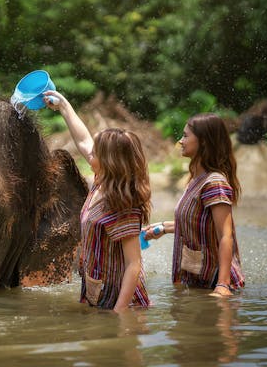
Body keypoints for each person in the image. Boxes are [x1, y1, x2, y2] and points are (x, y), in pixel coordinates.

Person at [43, 90, 152, 311]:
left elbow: (134, 264)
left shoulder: (122, 204)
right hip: (99, 292)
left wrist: (120, 313)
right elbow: (83, 139)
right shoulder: (102, 181)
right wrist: (64, 107)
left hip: (121, 303)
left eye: (95, 153)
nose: (88, 153)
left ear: (110, 162)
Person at [143, 113, 245, 296]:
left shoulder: (215, 183)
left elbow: (225, 236)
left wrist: (222, 285)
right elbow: (202, 224)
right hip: (199, 283)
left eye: (186, 135)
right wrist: (164, 227)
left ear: (204, 142)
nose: (181, 141)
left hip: (214, 283)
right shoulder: (196, 180)